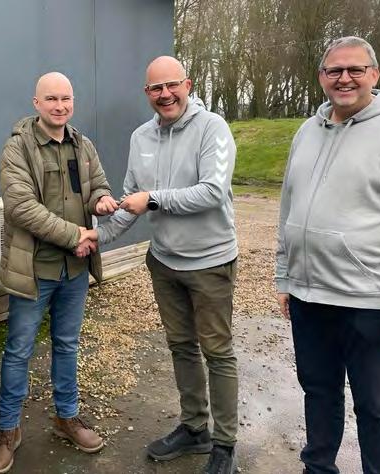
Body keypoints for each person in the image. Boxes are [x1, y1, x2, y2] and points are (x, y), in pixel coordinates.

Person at [275, 36, 380, 474]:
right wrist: (285, 276)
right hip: (310, 297)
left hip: (370, 303)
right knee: (318, 391)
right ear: (321, 77)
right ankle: (318, 468)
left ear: (375, 74)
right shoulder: (306, 131)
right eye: (335, 70)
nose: (344, 78)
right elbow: (289, 209)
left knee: (375, 407)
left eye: (355, 69)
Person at [93, 56, 240, 474]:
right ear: (147, 93)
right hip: (163, 262)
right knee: (181, 347)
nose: (165, 94)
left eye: (172, 85)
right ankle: (194, 428)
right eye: (156, 88)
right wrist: (96, 237)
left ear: (187, 85)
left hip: (210, 263)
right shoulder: (140, 137)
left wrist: (154, 199)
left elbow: (212, 191)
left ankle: (225, 444)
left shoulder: (212, 128)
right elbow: (130, 201)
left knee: (218, 353)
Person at [0, 72, 117, 474]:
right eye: (52, 99)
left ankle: (66, 417)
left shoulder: (83, 145)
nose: (60, 106)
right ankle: (8, 430)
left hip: (74, 270)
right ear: (36, 103)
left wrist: (102, 200)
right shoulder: (18, 148)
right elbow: (21, 207)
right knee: (19, 350)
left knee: (67, 345)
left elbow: (97, 185)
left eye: (66, 98)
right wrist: (75, 235)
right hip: (34, 270)